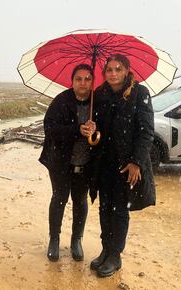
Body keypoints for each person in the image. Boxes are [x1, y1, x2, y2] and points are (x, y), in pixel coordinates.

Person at [90, 54, 156, 277]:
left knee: (119, 210)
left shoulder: (140, 93)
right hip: (104, 163)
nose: (113, 74)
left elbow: (146, 131)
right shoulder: (99, 94)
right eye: (109, 69)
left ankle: (115, 256)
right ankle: (105, 249)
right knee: (104, 208)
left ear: (127, 70)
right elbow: (99, 130)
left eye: (118, 69)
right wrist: (91, 130)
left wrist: (136, 162)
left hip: (126, 165)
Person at [39, 64, 96, 262]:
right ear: (72, 81)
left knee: (80, 201)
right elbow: (50, 129)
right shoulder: (61, 101)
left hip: (86, 163)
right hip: (61, 162)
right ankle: (54, 239)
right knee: (59, 198)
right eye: (79, 79)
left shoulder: (97, 103)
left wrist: (96, 130)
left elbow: (106, 132)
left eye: (87, 78)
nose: (83, 82)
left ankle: (76, 240)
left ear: (92, 81)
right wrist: (77, 129)